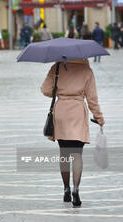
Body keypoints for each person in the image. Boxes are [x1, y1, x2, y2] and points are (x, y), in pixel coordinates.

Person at [41, 59, 105, 207]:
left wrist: (59, 90)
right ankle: (76, 189)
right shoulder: (86, 71)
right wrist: (99, 117)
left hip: (61, 111)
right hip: (77, 112)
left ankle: (66, 189)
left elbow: (45, 90)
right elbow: (92, 99)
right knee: (77, 154)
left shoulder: (56, 68)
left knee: (64, 153)